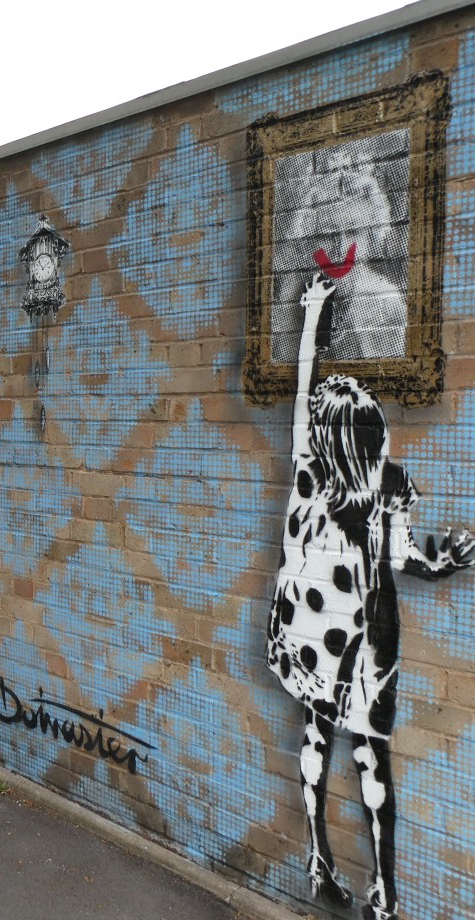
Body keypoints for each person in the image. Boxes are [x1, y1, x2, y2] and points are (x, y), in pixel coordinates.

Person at [266, 273, 475, 920]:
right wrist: (448, 558)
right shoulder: (385, 483)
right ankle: (383, 894)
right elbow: (407, 559)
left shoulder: (308, 470)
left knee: (316, 732)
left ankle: (317, 859)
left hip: (309, 637)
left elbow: (303, 394)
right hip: (366, 641)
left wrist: (312, 315)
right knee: (368, 754)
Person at [272, 136, 408, 364]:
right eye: (328, 234)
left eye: (353, 232)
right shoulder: (291, 303)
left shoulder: (387, 305)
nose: (341, 248)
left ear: (370, 235)